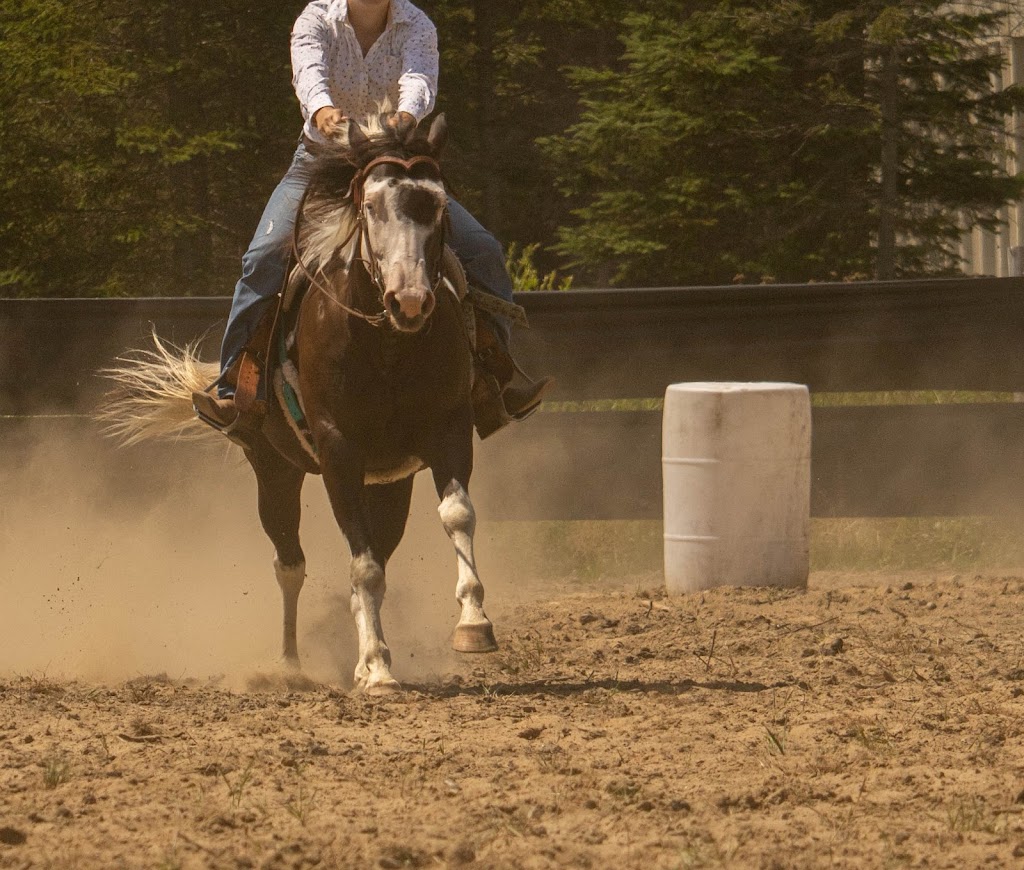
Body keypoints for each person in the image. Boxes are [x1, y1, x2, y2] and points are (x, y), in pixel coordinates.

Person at [193, 0, 551, 435]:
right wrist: (322, 110)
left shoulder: (417, 24)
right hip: (321, 163)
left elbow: (418, 80)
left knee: (483, 250)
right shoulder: (316, 18)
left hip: (390, 163)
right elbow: (309, 73)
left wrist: (405, 116)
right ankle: (235, 390)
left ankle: (493, 383)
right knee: (264, 256)